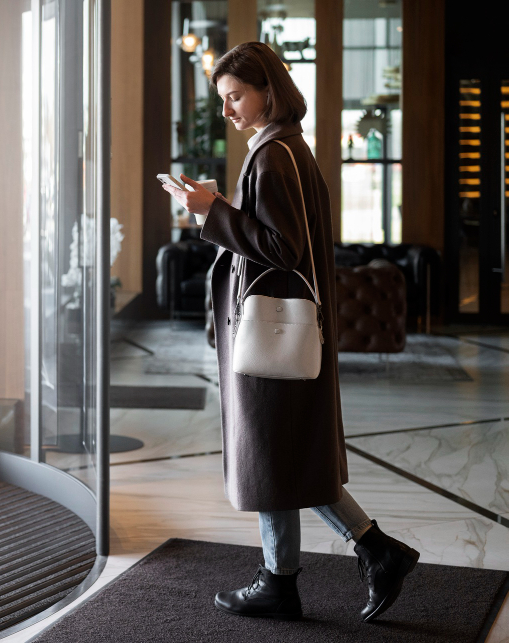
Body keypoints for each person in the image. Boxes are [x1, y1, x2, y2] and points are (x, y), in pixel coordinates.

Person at [163, 41, 419, 622]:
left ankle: (289, 580)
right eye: (223, 99)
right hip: (283, 331)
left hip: (271, 334)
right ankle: (370, 554)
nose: (228, 111)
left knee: (271, 458)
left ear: (267, 91)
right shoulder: (283, 149)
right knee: (287, 455)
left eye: (235, 97)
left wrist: (209, 212)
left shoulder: (275, 154)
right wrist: (217, 207)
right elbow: (277, 235)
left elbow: (283, 248)